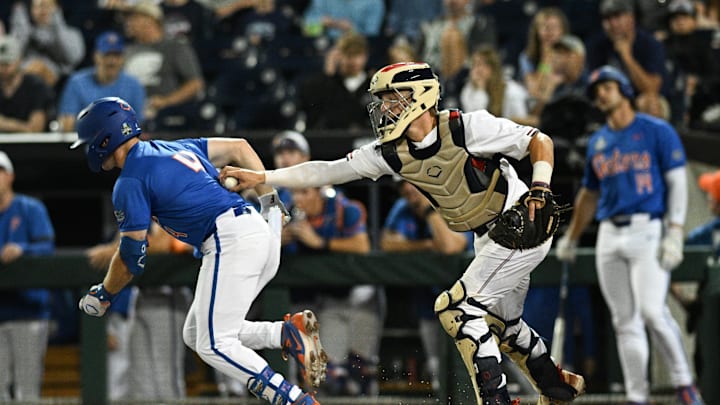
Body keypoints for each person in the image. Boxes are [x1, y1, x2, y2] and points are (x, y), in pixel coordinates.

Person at [220, 61, 585, 405]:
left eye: (393, 99)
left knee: (457, 309)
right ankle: (555, 384)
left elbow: (540, 141)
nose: (385, 109)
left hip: (520, 219)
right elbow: (324, 172)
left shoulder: (465, 127)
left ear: (421, 96)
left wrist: (540, 186)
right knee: (502, 327)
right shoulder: (390, 153)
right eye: (383, 102)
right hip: (485, 236)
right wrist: (264, 177)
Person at [69, 96, 326, 405]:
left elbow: (131, 258)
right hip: (256, 230)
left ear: (105, 137)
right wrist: (270, 201)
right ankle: (285, 333)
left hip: (231, 239)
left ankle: (295, 400)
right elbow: (240, 147)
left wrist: (105, 294)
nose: (88, 149)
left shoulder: (130, 180)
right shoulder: (174, 146)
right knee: (196, 334)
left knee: (213, 343)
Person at [554, 66, 704, 405]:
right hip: (609, 232)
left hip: (647, 227)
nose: (601, 95)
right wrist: (572, 237)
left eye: (606, 87)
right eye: (596, 91)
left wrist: (676, 230)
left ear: (623, 89)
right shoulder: (598, 141)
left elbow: (677, 181)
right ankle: (638, 397)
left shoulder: (655, 130)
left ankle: (685, 384)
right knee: (625, 321)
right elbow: (589, 194)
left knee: (652, 311)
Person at [380, 178, 473, 393]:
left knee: (486, 362)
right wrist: (428, 245)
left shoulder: (450, 201)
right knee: (437, 367)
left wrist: (431, 212)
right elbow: (386, 243)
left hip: (468, 300)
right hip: (430, 300)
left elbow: (452, 246)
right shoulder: (404, 207)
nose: (409, 190)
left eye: (413, 184)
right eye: (404, 186)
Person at [0, 150, 55, 400]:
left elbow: (48, 248)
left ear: (9, 176)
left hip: (29, 312)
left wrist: (23, 249)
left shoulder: (29, 208)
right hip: (1, 312)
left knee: (27, 389)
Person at [122, 1, 205, 124]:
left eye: (134, 19)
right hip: (131, 112)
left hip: (168, 114)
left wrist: (166, 101)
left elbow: (195, 83)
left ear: (150, 20)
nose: (128, 23)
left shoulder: (175, 46)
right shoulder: (128, 51)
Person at [58, 30, 146, 132]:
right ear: (96, 56)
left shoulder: (133, 85)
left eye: (116, 56)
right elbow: (67, 124)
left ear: (122, 59)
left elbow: (139, 125)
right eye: (106, 55)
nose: (111, 61)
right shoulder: (77, 82)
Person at [8, 0, 85, 88]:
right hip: (23, 83)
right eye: (37, 6)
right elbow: (11, 57)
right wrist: (21, 27)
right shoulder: (24, 31)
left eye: (47, 5)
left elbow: (72, 58)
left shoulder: (72, 33)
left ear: (57, 10)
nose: (42, 10)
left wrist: (57, 26)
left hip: (59, 85)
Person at [0, 35, 54, 133]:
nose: (3, 69)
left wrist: (5, 124)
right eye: (0, 64)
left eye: (7, 64)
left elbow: (35, 128)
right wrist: (22, 126)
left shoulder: (35, 86)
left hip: (31, 147)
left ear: (19, 60)